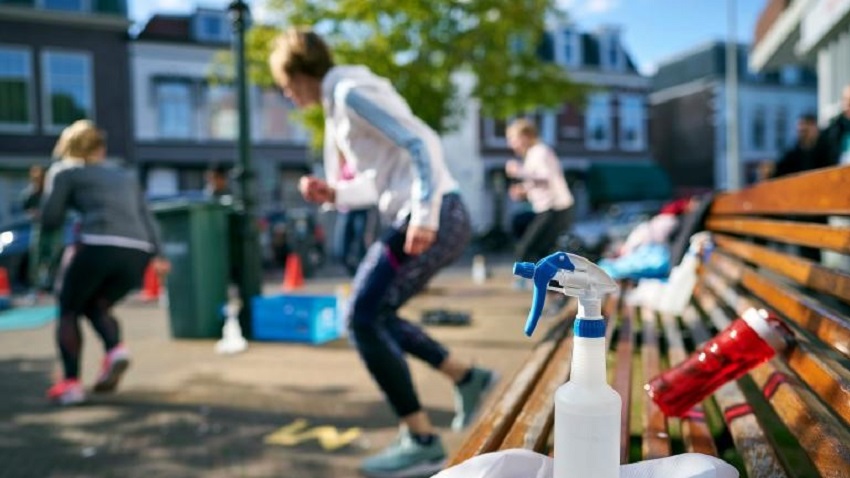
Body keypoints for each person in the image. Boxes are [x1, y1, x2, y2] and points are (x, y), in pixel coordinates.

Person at [269, 28, 497, 477]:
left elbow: (422, 143)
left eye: (284, 84)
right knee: (378, 314)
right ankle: (467, 378)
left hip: (431, 214)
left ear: (299, 73)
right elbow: (379, 181)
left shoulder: (351, 93)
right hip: (418, 212)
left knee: (360, 317)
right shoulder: (339, 108)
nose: (286, 94)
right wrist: (334, 191)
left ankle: (422, 440)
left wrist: (425, 216)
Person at [40, 120, 170, 405]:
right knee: (96, 303)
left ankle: (71, 384)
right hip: (138, 251)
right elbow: (146, 216)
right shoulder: (126, 176)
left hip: (97, 244)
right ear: (101, 148)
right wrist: (159, 255)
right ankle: (115, 350)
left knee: (68, 307)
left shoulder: (65, 171)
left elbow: (51, 218)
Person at [504, 119, 574, 281]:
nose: (511, 144)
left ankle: (549, 289)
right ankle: (550, 292)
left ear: (526, 136)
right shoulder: (531, 155)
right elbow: (541, 184)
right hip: (546, 210)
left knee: (528, 250)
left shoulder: (540, 151)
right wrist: (524, 192)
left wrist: (519, 171)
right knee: (538, 251)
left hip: (556, 209)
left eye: (513, 139)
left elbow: (546, 177)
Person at [770, 113, 823, 178]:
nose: (803, 133)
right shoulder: (790, 155)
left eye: (807, 130)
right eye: (801, 130)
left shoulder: (825, 152)